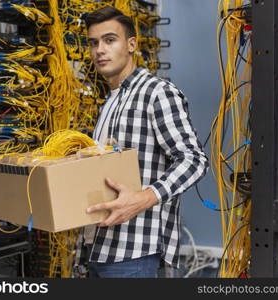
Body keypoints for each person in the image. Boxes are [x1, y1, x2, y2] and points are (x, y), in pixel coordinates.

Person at [74, 6, 209, 278]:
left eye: (110, 40)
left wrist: (144, 198)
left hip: (134, 253)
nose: (99, 50)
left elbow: (194, 160)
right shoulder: (111, 100)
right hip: (97, 247)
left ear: (132, 44)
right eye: (94, 43)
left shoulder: (157, 93)